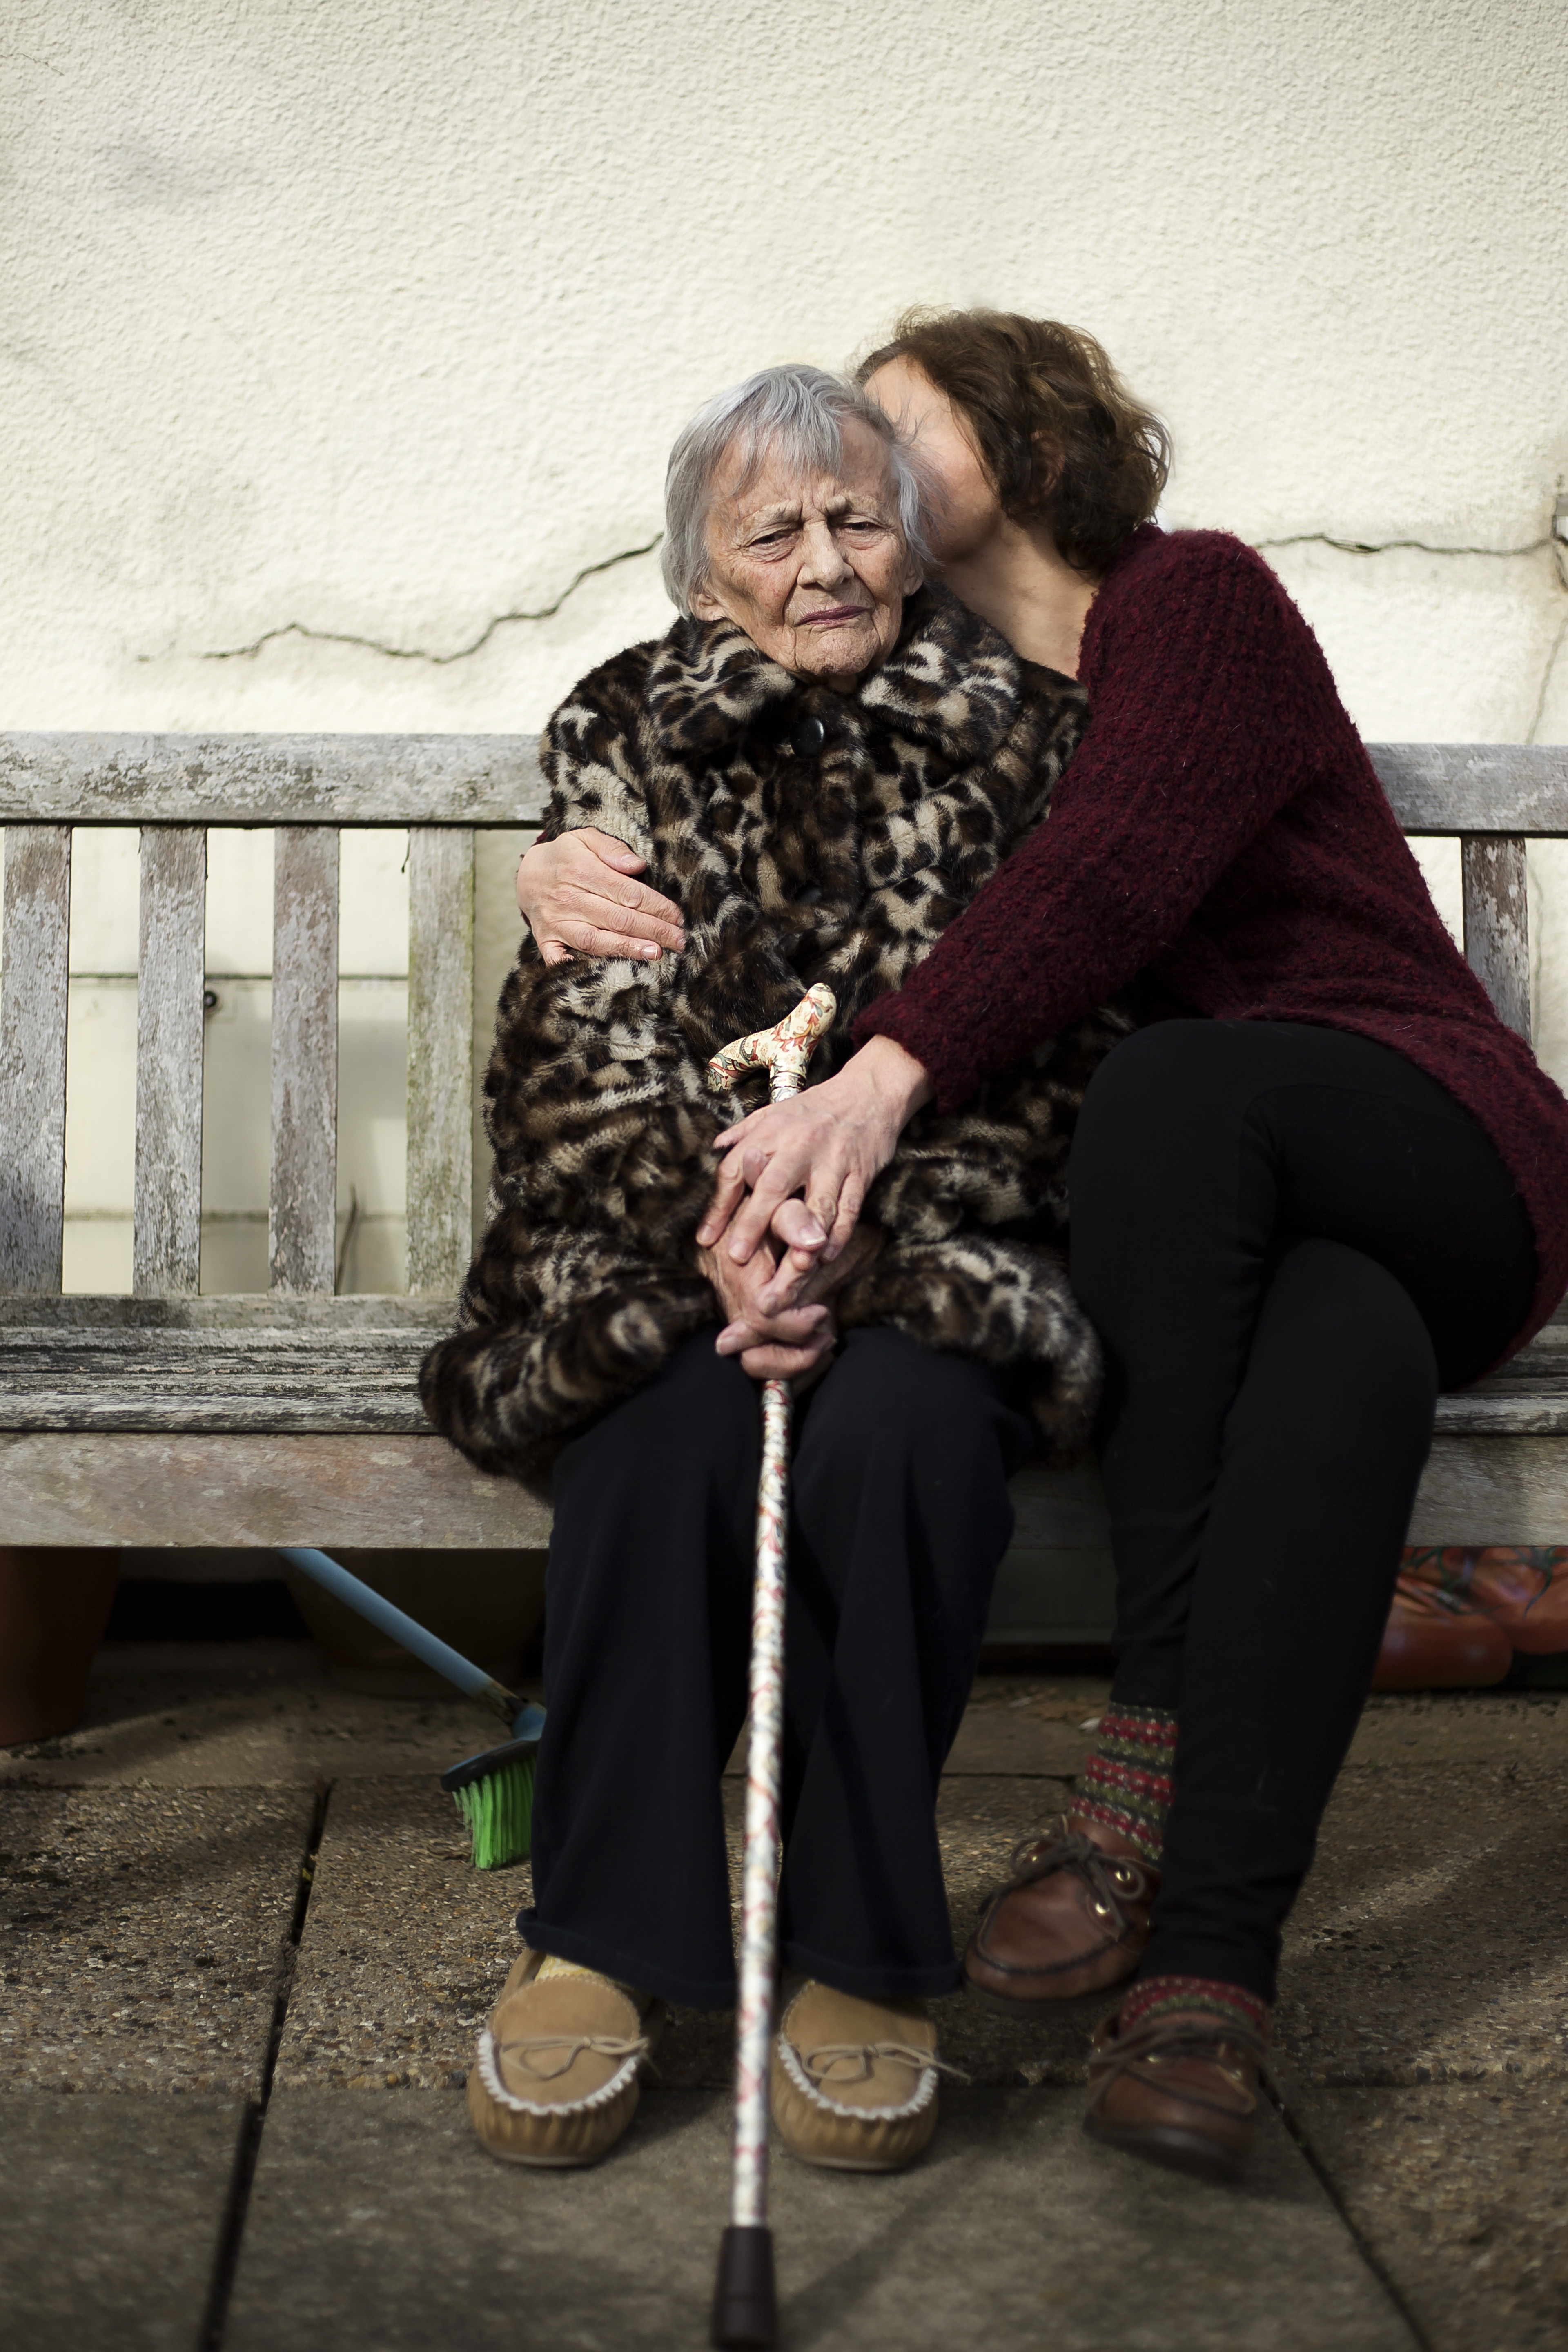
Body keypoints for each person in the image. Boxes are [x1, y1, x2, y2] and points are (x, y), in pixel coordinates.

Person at [516, 309, 1568, 2183]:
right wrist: (559, 871)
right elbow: (658, 947)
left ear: (1007, 439)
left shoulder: (1184, 608)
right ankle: (1215, 1984)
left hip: (1410, 1117)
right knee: (1344, 1376)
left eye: (889, 452)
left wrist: (874, 1097)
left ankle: (1136, 1749)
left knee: (1165, 1099)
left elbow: (1113, 888)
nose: (857, 505)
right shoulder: (943, 669)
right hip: (1273, 1239)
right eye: (793, 518)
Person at [422, 361, 1131, 2174]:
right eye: (772, 531)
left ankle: (859, 1951)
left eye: (855, 518)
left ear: (914, 542)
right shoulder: (625, 727)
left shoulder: (1033, 743)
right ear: (701, 571)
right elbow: (575, 1046)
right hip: (658, 1246)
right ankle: (602, 1932)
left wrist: (857, 1228)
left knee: (902, 1443)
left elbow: (1068, 1046)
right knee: (659, 1436)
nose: (822, 560)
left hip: (934, 1243)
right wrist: (719, 1231)